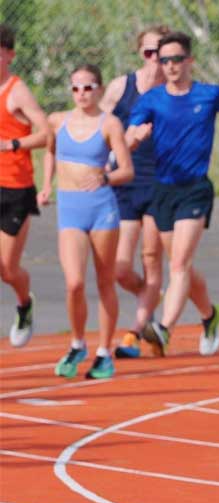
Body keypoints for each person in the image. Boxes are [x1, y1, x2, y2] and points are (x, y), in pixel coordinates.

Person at [126, 31, 219, 357]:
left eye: (177, 59)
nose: (170, 66)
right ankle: (210, 315)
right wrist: (135, 138)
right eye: (164, 60)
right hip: (163, 189)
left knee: (178, 264)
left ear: (190, 61)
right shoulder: (151, 99)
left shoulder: (210, 95)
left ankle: (163, 330)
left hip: (195, 188)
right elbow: (127, 137)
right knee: (181, 264)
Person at [37, 64, 134, 379]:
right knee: (74, 282)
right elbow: (49, 151)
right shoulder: (57, 121)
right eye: (76, 88)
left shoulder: (110, 124)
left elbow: (126, 170)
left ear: (100, 90)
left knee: (105, 281)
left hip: (102, 210)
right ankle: (77, 342)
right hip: (70, 209)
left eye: (89, 87)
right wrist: (46, 184)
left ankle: (104, 351)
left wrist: (105, 177)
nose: (82, 93)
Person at [99, 24, 168, 359]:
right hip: (126, 180)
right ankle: (150, 301)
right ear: (140, 53)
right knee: (120, 268)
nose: (155, 59)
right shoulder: (121, 87)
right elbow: (101, 127)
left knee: (152, 258)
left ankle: (135, 332)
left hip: (161, 182)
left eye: (162, 52)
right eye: (149, 52)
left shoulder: (175, 91)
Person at [0, 24, 49, 348]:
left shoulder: (17, 91)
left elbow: (46, 134)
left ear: (9, 55)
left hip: (14, 189)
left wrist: (12, 145)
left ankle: (24, 302)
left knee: (6, 269)